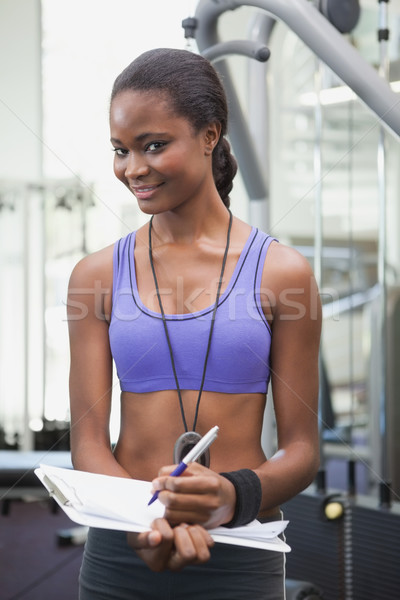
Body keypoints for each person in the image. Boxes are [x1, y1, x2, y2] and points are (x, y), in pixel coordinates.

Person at [67, 47, 321, 600]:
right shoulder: (96, 276)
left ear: (210, 135)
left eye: (154, 145)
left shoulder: (283, 273)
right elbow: (87, 440)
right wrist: (143, 520)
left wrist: (231, 495)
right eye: (121, 150)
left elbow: (303, 450)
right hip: (124, 544)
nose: (133, 169)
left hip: (241, 550)